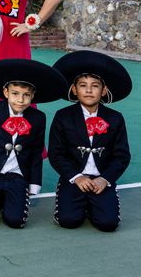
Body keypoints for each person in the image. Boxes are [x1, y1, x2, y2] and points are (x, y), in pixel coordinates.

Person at [0, 59, 67, 228]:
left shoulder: (38, 118)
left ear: (32, 96)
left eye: (26, 95)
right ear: (6, 92)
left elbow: (36, 152)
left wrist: (34, 183)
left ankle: (10, 198)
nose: (20, 100)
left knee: (15, 221)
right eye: (15, 93)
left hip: (18, 175)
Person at [49, 50, 132, 232]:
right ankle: (73, 201)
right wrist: (76, 177)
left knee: (108, 224)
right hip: (75, 178)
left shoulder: (115, 118)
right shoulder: (62, 117)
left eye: (95, 86)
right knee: (68, 220)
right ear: (74, 89)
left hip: (101, 179)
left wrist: (105, 179)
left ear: (103, 91)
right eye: (82, 85)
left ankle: (95, 204)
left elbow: (122, 156)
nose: (88, 90)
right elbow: (56, 154)